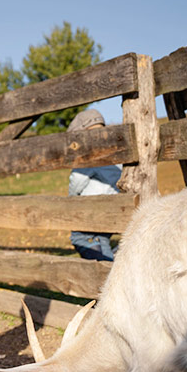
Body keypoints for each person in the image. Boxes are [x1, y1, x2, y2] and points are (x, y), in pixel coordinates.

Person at [66, 109, 121, 262]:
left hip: (91, 209)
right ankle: (114, 257)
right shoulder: (114, 151)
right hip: (111, 208)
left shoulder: (90, 155)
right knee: (100, 238)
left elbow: (77, 180)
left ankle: (110, 267)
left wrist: (71, 200)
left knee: (81, 238)